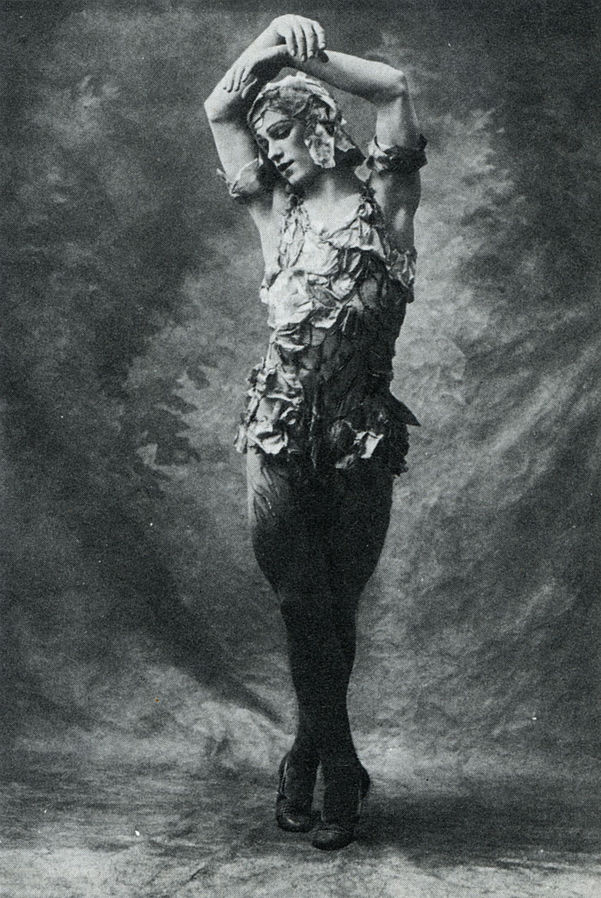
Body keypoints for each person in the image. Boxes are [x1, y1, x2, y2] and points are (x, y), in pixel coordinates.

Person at [204, 14, 426, 851]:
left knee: (334, 611)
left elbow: (393, 88)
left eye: (281, 135)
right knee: (301, 602)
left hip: (360, 436)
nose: (269, 153)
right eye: (264, 141)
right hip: (276, 436)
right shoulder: (275, 216)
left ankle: (303, 754)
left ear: (322, 130)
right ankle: (339, 766)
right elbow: (218, 110)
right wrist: (269, 38)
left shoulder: (388, 213)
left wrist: (311, 60)